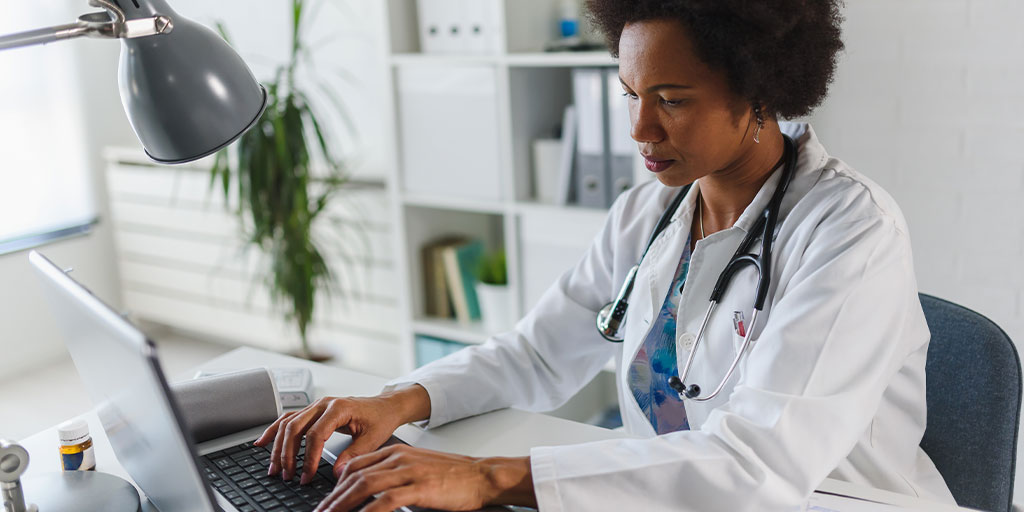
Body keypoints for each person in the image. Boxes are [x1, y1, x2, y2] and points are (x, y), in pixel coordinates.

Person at [255, 1, 959, 510]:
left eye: (672, 100)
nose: (641, 129)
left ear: (760, 91)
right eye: (629, 95)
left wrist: (491, 478)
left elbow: (756, 469)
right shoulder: (649, 213)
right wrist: (395, 400)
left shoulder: (849, 233)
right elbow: (535, 354)